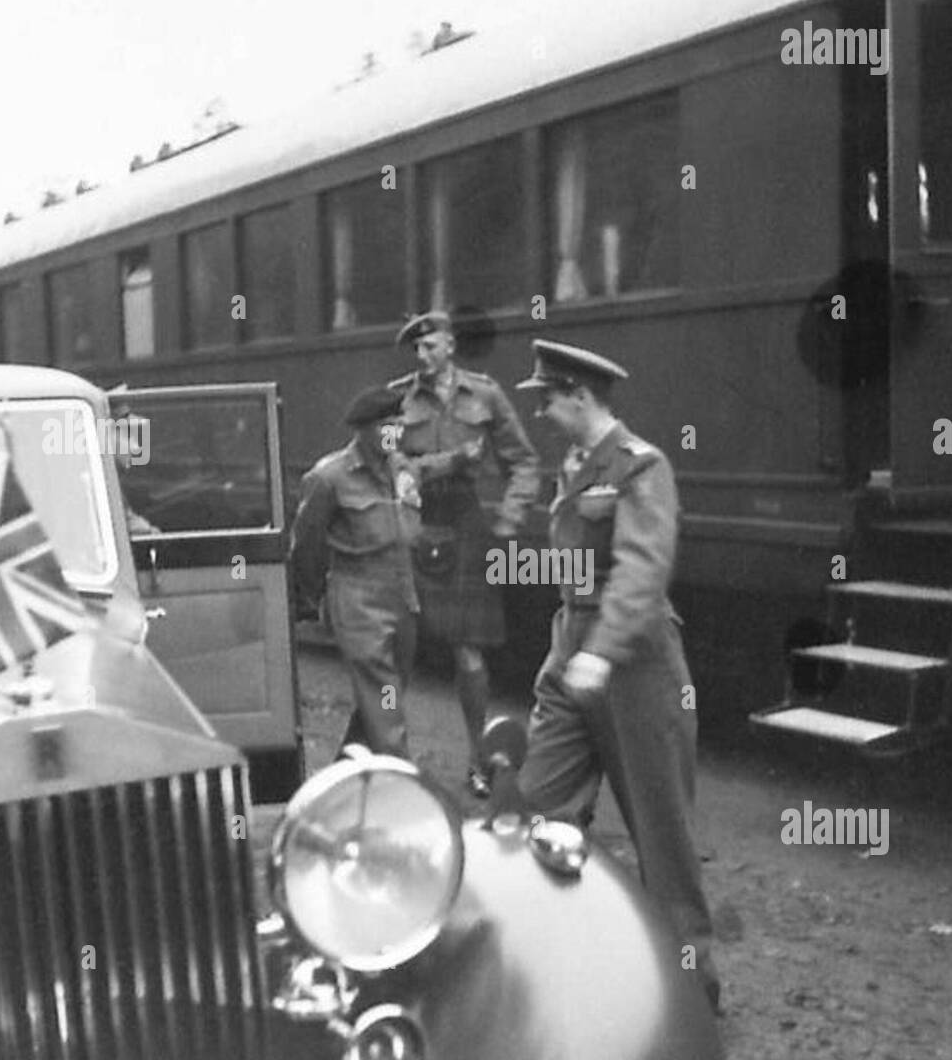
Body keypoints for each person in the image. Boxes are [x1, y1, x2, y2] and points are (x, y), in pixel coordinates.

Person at [513, 338, 720, 1012]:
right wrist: (569, 653)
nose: (540, 412)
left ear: (580, 394)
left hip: (635, 661)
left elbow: (642, 567)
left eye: (547, 398)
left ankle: (689, 986)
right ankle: (557, 959)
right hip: (572, 653)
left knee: (661, 831)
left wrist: (601, 650)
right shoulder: (573, 468)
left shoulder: (640, 466)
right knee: (535, 807)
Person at [390, 310, 540, 795]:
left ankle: (480, 761)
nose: (422, 356)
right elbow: (399, 470)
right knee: (396, 651)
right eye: (416, 348)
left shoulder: (486, 395)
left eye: (430, 346)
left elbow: (525, 462)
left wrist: (510, 521)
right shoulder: (399, 400)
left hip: (466, 524)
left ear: (450, 345)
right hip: (416, 524)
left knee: (470, 656)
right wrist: (452, 460)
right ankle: (388, 762)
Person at [289, 383, 462, 759]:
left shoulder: (400, 468)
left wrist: (463, 457)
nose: (396, 434)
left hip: (402, 597)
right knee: (383, 695)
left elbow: (426, 473)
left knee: (386, 692)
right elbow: (306, 544)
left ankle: (344, 770)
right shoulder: (329, 478)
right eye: (387, 427)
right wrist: (317, 597)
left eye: (399, 425)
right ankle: (399, 774)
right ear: (364, 430)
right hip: (358, 599)